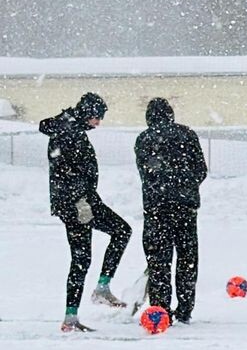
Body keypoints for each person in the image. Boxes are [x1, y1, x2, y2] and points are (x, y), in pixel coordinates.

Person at [39, 92, 132, 332]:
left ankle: (75, 312)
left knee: (84, 257)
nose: (99, 123)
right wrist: (80, 201)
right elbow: (66, 172)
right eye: (97, 118)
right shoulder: (70, 132)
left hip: (79, 202)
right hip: (79, 204)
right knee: (115, 235)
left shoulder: (67, 127)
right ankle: (93, 296)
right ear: (88, 114)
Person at [135, 98, 207, 325]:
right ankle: (184, 308)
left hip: (157, 209)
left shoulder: (144, 139)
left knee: (158, 262)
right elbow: (201, 169)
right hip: (185, 208)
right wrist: (185, 186)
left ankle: (160, 310)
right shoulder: (187, 135)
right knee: (187, 259)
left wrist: (161, 188)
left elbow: (145, 173)